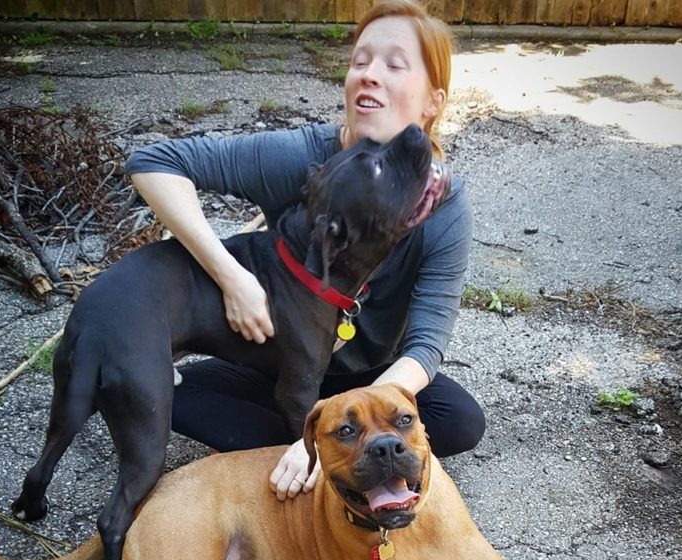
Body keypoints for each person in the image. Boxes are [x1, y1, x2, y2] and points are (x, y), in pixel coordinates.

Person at [124, 0, 485, 500]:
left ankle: (310, 449)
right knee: (155, 390)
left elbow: (426, 345)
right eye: (360, 61)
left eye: (394, 64)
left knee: (460, 420)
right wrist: (232, 278)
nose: (369, 75)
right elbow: (153, 162)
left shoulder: (442, 202)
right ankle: (311, 450)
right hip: (281, 362)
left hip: (373, 377)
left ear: (432, 101)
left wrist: (351, 420)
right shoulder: (302, 156)